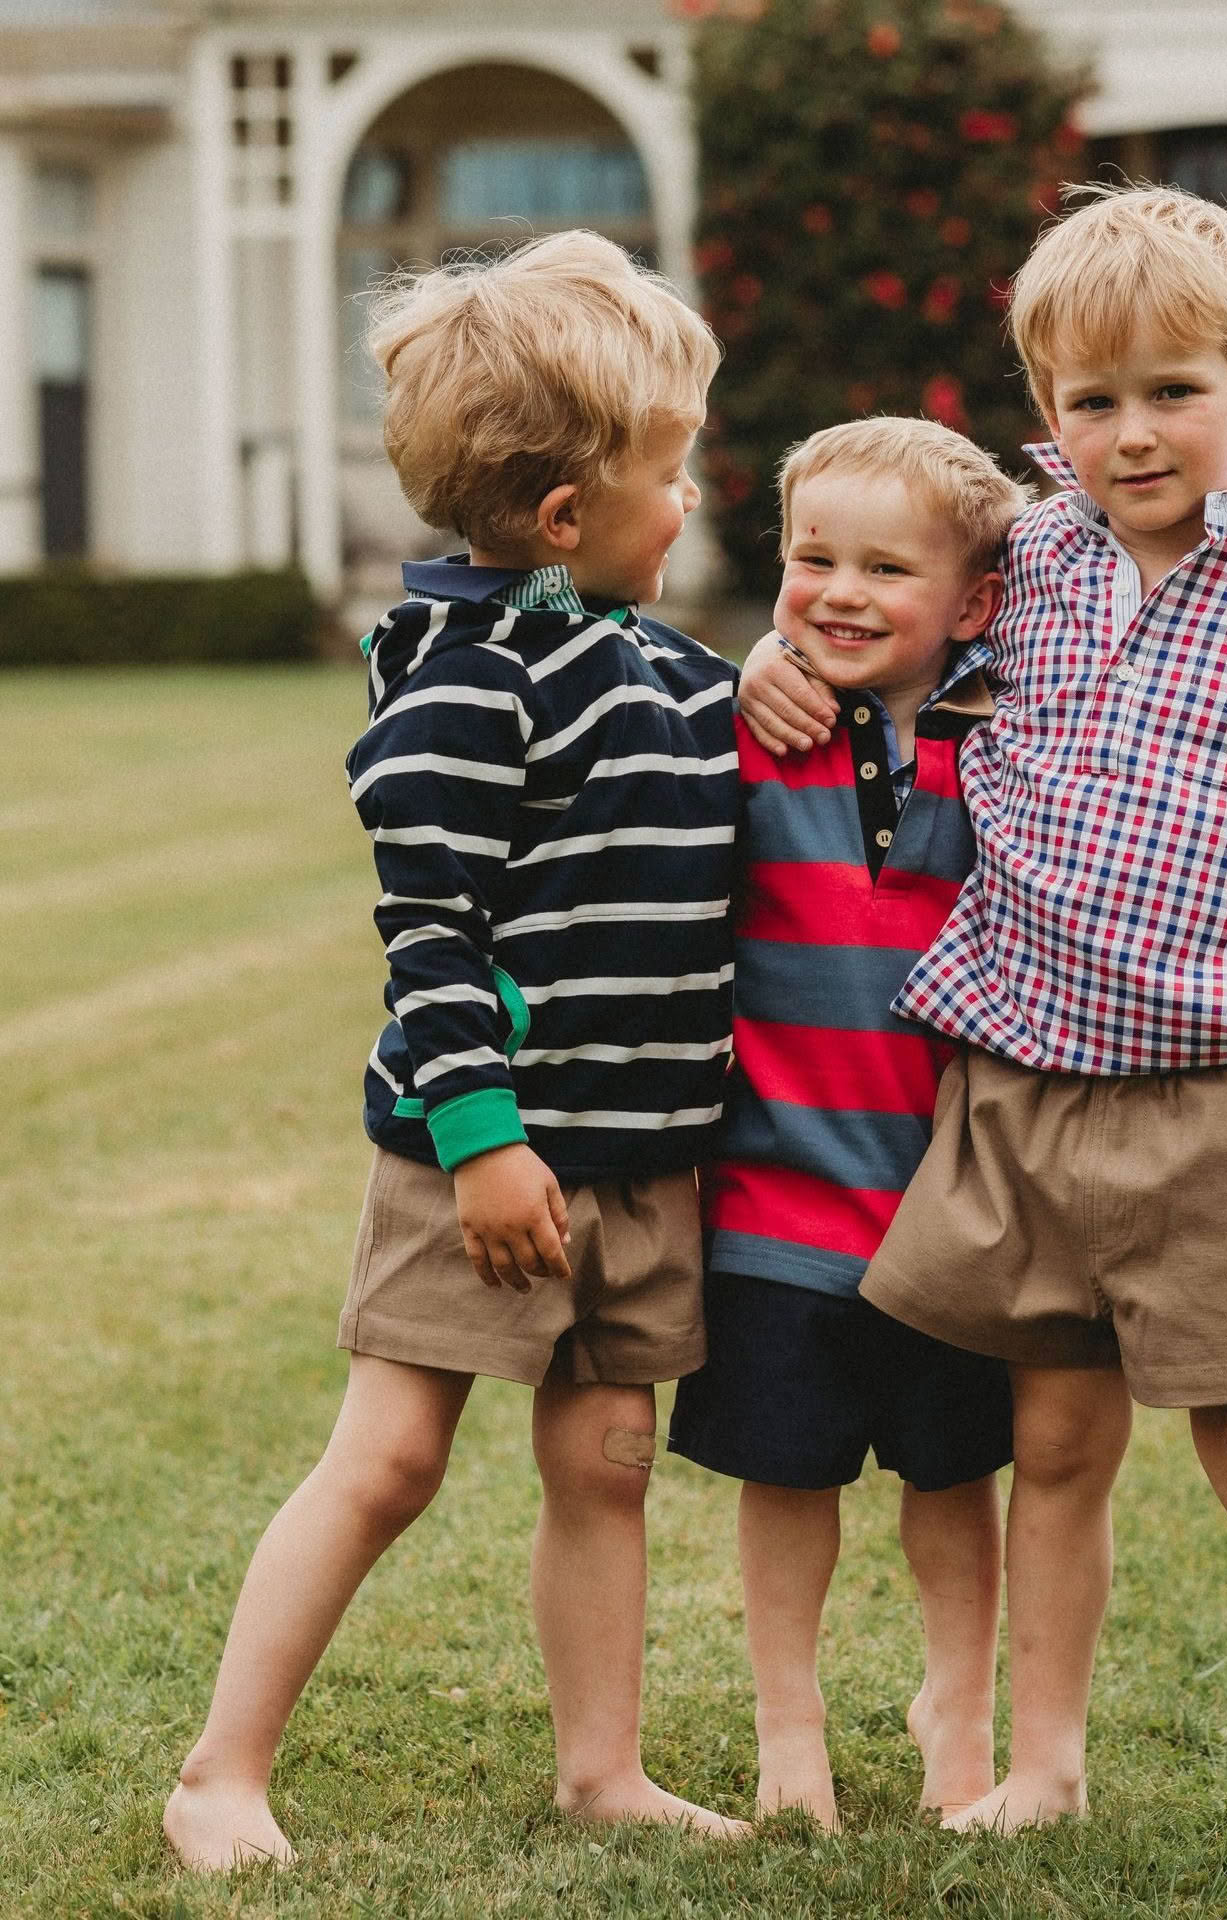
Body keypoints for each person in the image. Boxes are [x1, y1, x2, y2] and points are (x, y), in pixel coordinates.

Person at [740, 185, 1227, 1882]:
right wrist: (765, 669)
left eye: (1173, 391)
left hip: (1222, 1104)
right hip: (1018, 1085)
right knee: (1054, 1442)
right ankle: (1044, 1765)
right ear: (1045, 415)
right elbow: (874, 611)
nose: (1132, 434)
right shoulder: (1028, 559)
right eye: (1091, 401)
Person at [165, 230, 743, 1870]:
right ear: (568, 518)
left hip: (638, 1153)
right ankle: (220, 1770)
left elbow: (692, 713)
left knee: (607, 1462)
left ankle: (603, 1768)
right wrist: (484, 1137)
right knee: (394, 1456)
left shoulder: (634, 652)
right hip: (475, 1159)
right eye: (674, 472)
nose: (691, 499)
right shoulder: (461, 691)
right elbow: (432, 938)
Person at [665, 417, 1024, 1830]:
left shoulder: (1014, 735)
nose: (842, 592)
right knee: (786, 1474)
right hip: (772, 1199)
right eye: (813, 558)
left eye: (888, 566)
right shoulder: (743, 727)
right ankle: (789, 1736)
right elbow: (553, 595)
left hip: (954, 1207)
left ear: (973, 600)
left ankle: (962, 1727)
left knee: (953, 1481)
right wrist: (747, 664)